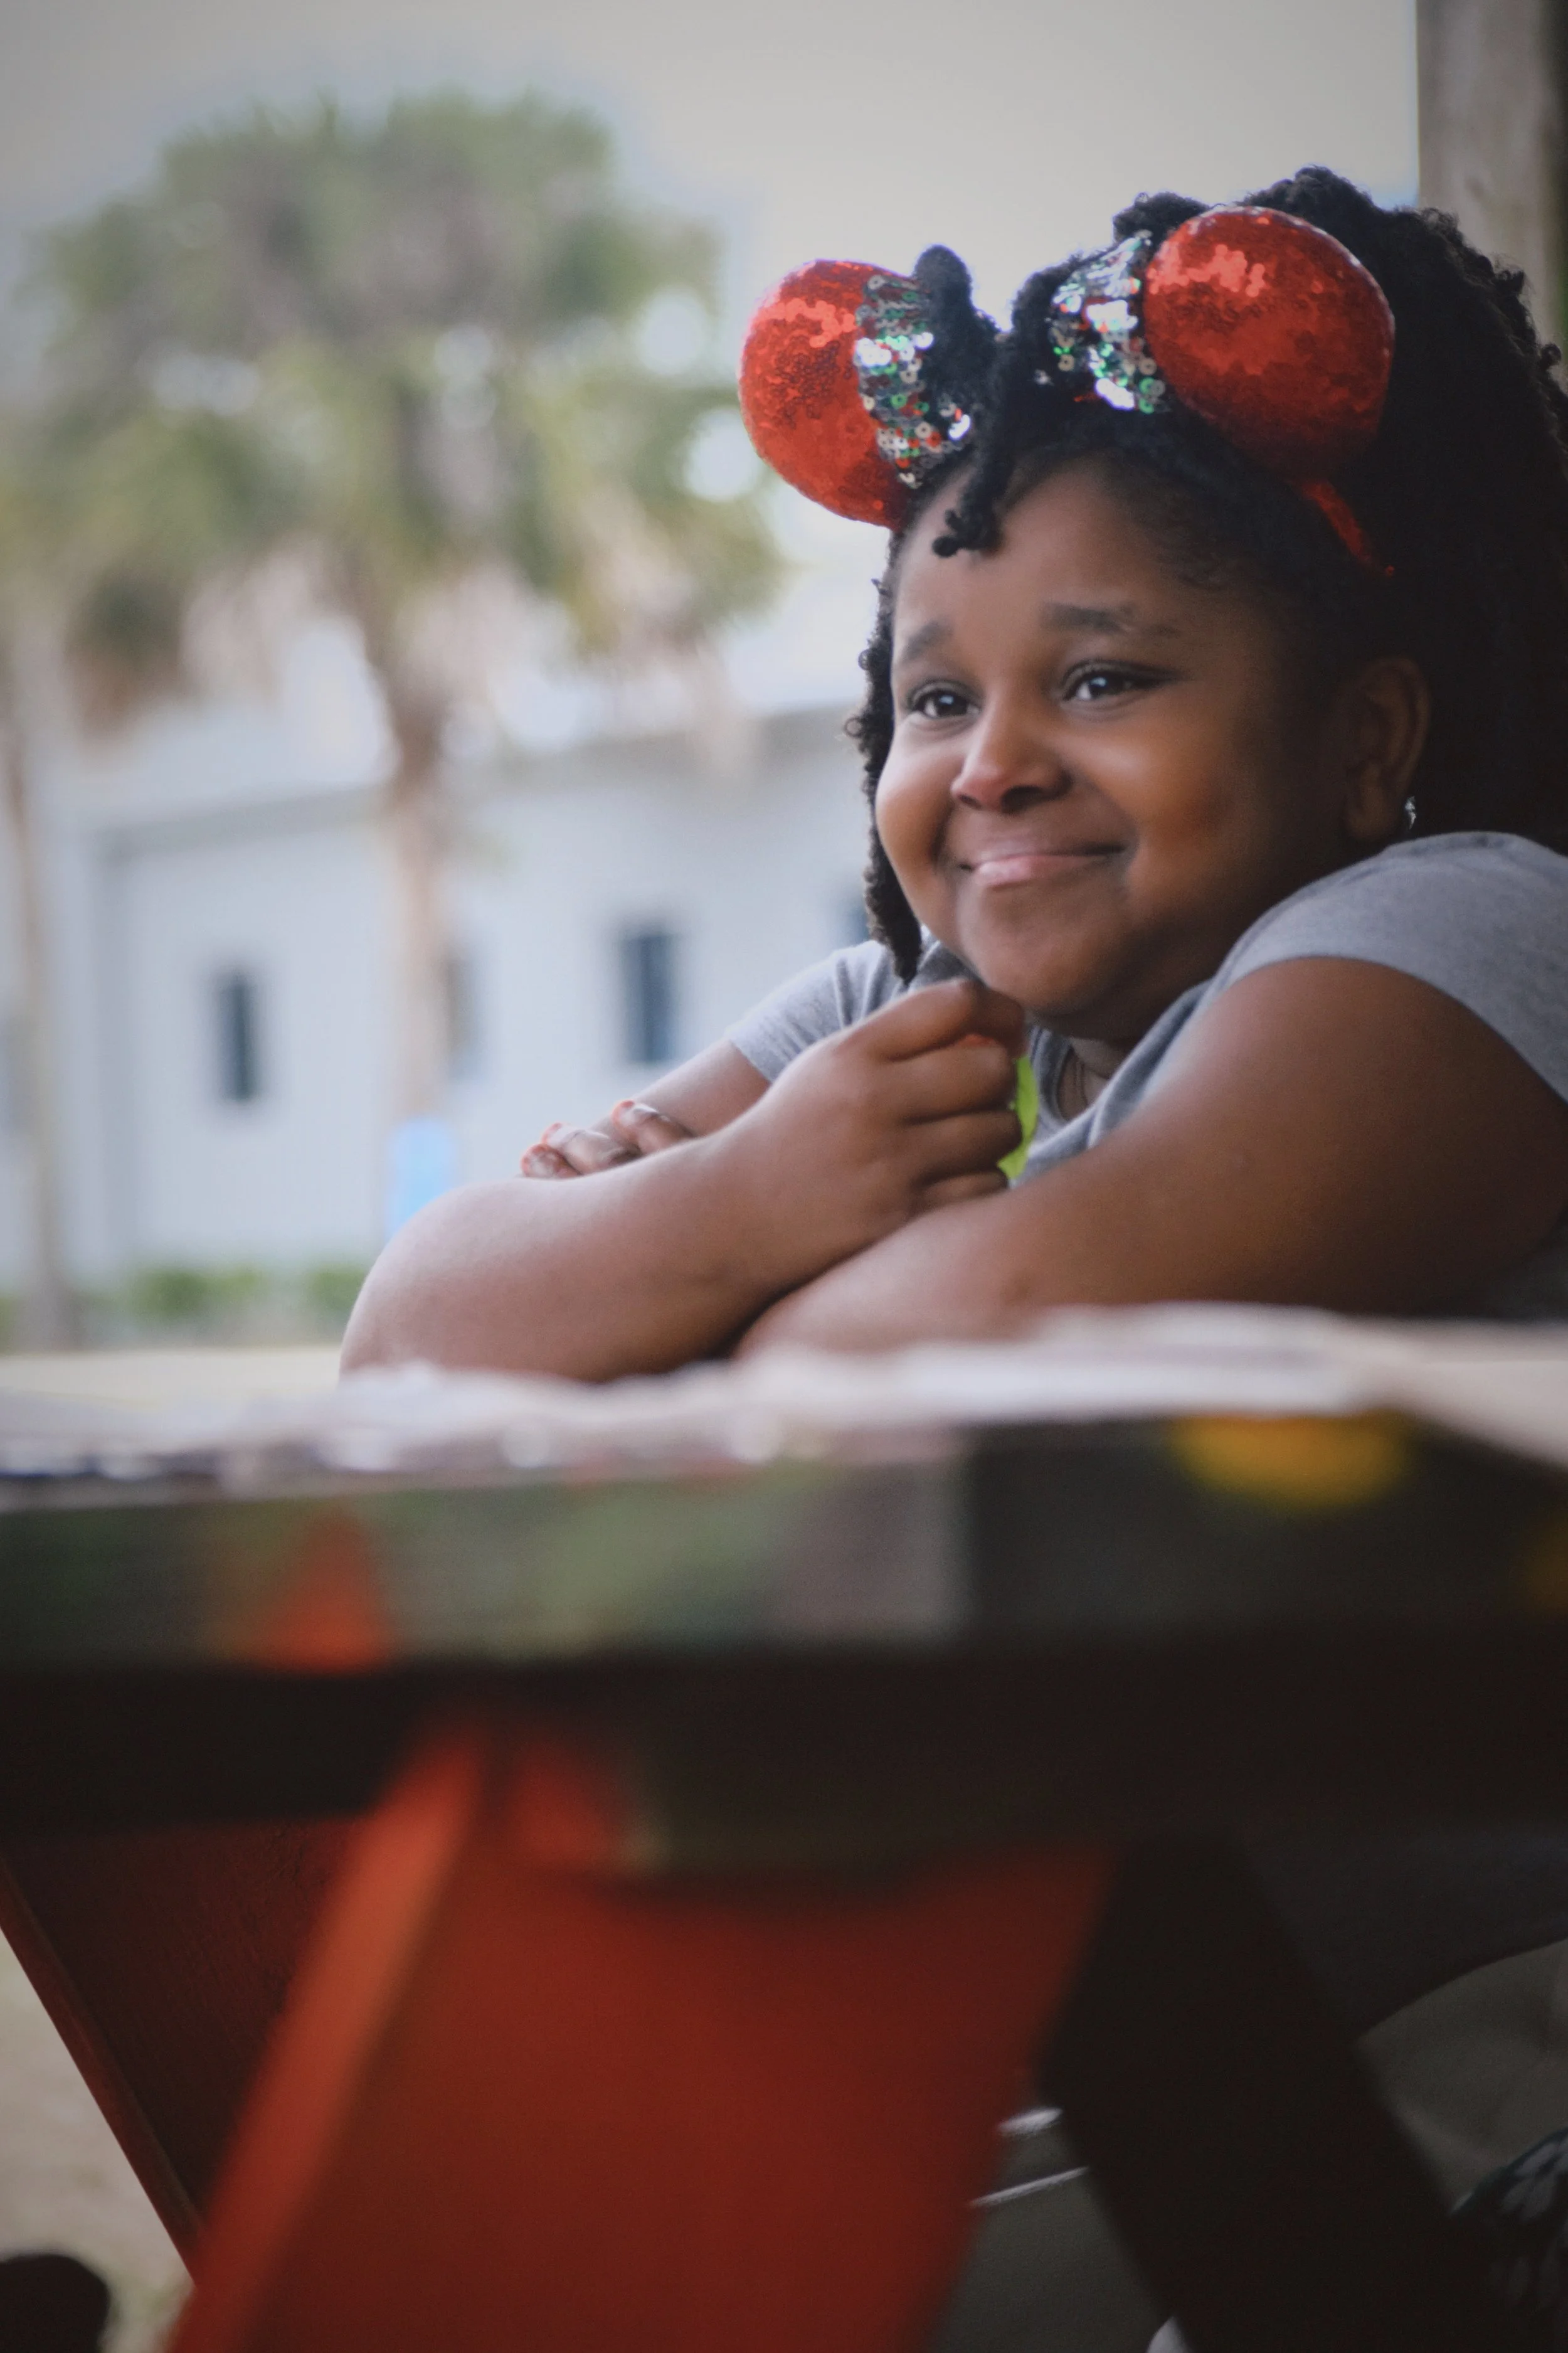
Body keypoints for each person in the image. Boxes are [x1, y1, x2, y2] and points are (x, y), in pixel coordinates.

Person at [343, 167, 1568, 1384]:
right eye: (935, 701)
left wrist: (668, 1279)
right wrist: (742, 1194)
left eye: (1101, 680)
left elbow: (1003, 1322)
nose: (991, 769)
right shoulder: (887, 1019)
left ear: (1362, 742)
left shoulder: (1460, 941)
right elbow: (406, 1337)